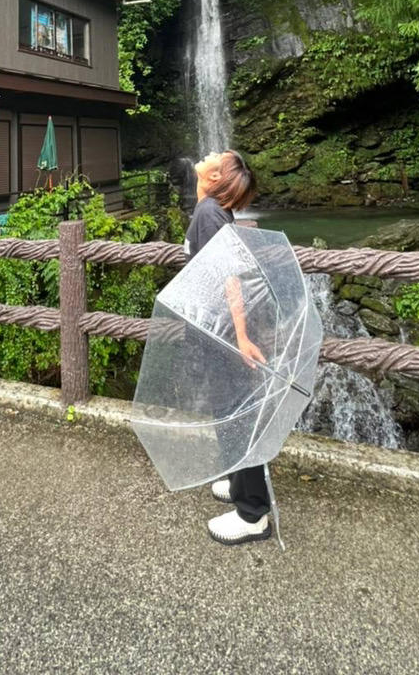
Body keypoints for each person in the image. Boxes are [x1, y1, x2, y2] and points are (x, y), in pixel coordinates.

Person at [185, 149, 272, 546]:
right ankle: (238, 481)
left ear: (217, 176)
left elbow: (230, 278)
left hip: (224, 334)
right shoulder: (211, 210)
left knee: (236, 417)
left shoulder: (209, 214)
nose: (208, 153)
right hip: (217, 331)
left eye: (216, 156)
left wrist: (239, 337)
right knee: (227, 412)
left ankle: (253, 513)